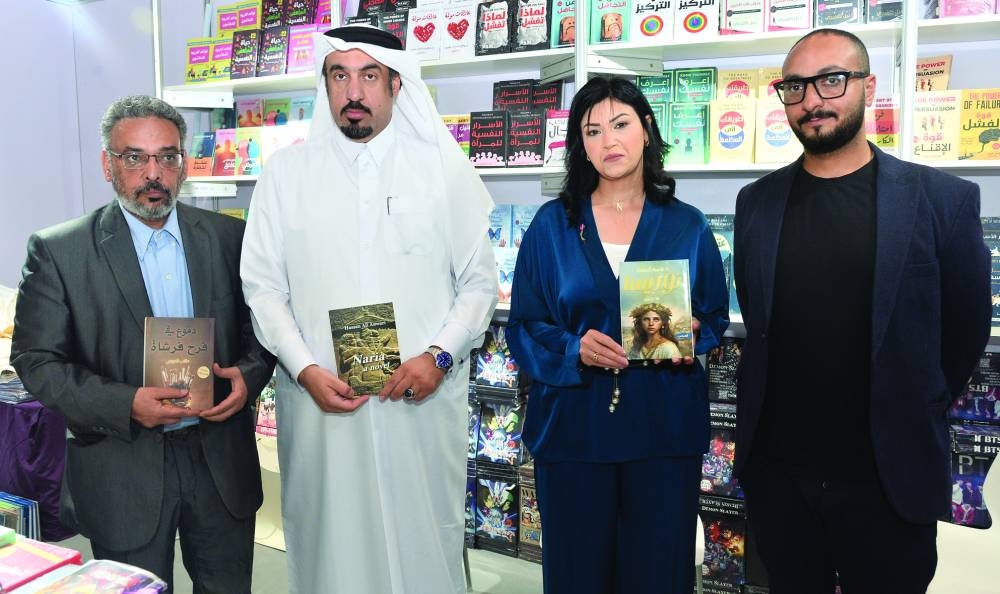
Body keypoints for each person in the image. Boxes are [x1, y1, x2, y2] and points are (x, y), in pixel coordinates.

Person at [239, 25, 497, 593]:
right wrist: (305, 368)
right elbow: (261, 286)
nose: (354, 91)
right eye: (340, 75)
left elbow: (479, 285)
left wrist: (440, 356)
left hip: (419, 401)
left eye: (369, 75)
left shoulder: (443, 171)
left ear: (396, 85)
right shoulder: (286, 175)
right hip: (319, 403)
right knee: (330, 544)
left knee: (423, 538)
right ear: (325, 85)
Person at [733, 29, 990, 594]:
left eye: (832, 80)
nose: (812, 100)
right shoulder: (756, 203)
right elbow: (759, 319)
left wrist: (916, 396)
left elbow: (967, 328)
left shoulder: (941, 200)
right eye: (795, 87)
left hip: (889, 479)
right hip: (782, 479)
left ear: (868, 87)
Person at [10, 95, 276, 592]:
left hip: (219, 462)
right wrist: (126, 403)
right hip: (122, 464)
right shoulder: (59, 251)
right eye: (134, 157)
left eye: (166, 157)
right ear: (108, 165)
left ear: (184, 164)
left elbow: (262, 334)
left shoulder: (229, 238)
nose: (152, 173)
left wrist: (248, 376)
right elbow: (35, 360)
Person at [505, 76, 729, 593]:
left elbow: (713, 317)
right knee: (576, 574)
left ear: (647, 130)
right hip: (573, 432)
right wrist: (572, 347)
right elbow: (525, 325)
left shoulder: (687, 226)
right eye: (593, 130)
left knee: (659, 573)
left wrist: (693, 334)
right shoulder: (551, 226)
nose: (609, 141)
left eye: (621, 124)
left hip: (663, 431)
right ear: (580, 145)